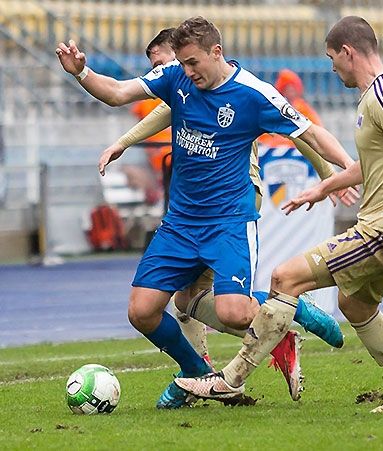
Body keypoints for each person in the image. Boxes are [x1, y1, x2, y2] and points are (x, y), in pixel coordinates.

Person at [56, 16, 356, 408]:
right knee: (143, 310)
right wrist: (82, 73)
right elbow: (115, 92)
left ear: (217, 52)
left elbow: (310, 133)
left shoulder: (253, 94)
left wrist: (348, 171)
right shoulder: (176, 78)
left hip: (228, 221)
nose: (187, 71)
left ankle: (288, 313)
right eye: (182, 63)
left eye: (193, 62)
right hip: (180, 223)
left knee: (232, 312)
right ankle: (196, 370)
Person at [175, 16, 383, 414]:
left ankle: (229, 379)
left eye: (331, 58)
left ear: (348, 52)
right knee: (355, 307)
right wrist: (325, 187)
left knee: (285, 278)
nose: (331, 67)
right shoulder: (382, 93)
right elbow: (377, 161)